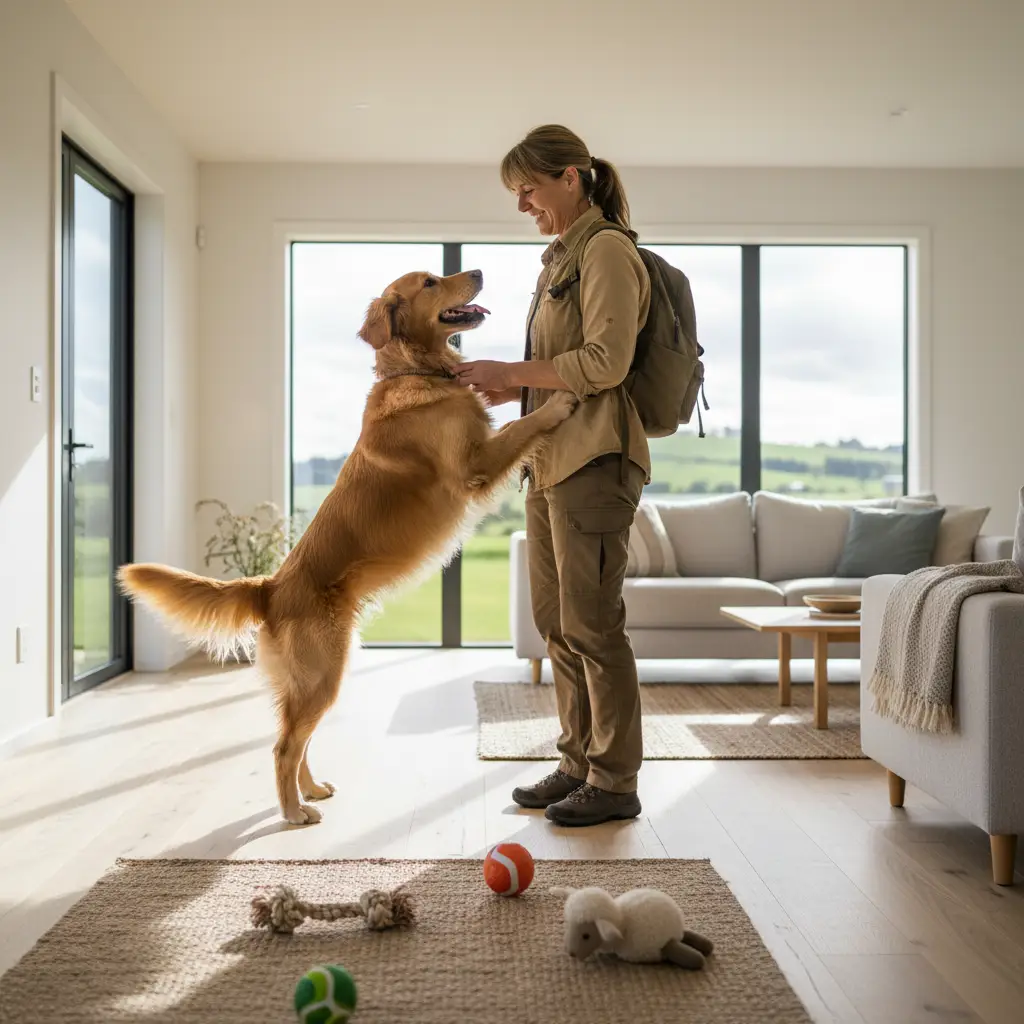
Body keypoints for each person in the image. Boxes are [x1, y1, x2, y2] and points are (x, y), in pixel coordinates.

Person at [455, 125, 651, 827]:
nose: (523, 206)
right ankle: (577, 763)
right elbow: (563, 366)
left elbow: (606, 362)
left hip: (595, 462)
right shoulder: (558, 261)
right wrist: (517, 390)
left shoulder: (605, 253)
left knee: (594, 625)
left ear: (570, 178)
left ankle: (615, 779)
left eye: (528, 189)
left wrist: (513, 373)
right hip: (550, 463)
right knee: (557, 623)